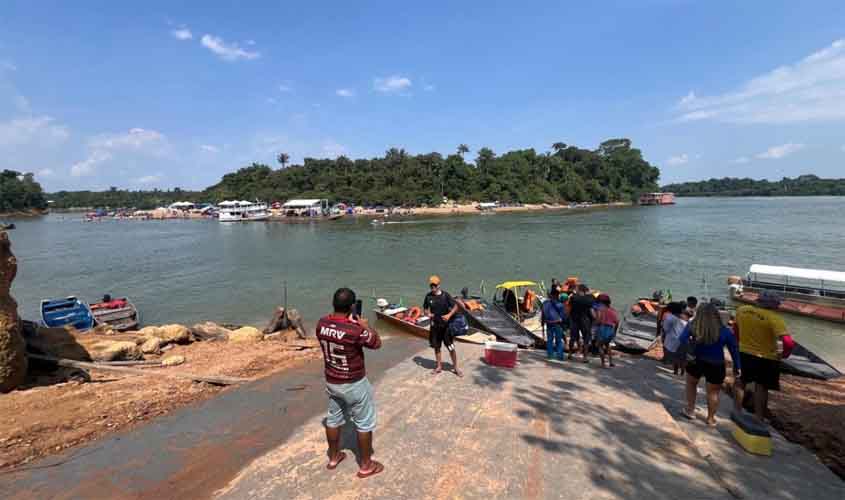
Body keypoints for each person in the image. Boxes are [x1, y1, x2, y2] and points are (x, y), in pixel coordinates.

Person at [316, 287, 384, 478]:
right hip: (354, 382)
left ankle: (334, 456)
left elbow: (335, 329)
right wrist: (364, 325)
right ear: (353, 306)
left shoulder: (321, 324)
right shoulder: (355, 329)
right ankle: (365, 465)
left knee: (333, 419)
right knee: (364, 424)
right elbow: (376, 343)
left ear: (333, 303)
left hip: (332, 380)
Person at [733, 291, 792, 421]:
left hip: (744, 352)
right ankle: (759, 417)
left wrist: (739, 342)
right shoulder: (774, 318)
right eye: (778, 302)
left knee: (740, 381)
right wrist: (784, 355)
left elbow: (735, 328)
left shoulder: (742, 310)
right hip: (767, 357)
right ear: (772, 304)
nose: (779, 305)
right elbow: (788, 342)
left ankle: (736, 411)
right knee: (761, 387)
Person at [679, 303, 740, 426]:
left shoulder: (693, 326)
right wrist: (737, 366)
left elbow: (681, 339)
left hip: (696, 360)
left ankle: (690, 411)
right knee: (713, 392)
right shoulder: (725, 331)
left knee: (691, 384)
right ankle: (711, 418)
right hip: (716, 364)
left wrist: (690, 345)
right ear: (716, 315)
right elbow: (734, 349)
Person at [423, 275, 462, 376]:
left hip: (446, 328)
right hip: (435, 327)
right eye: (431, 285)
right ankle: (439, 366)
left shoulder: (446, 296)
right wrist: (428, 314)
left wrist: (449, 315)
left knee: (451, 347)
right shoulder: (428, 297)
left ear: (439, 285)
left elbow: (456, 306)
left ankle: (456, 367)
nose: (433, 287)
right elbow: (425, 310)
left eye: (434, 285)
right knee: (437, 347)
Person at [568, 284, 595, 362]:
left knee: (572, 338)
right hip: (585, 320)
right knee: (586, 339)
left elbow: (569, 308)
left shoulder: (573, 298)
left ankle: (570, 354)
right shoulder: (590, 298)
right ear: (585, 290)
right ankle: (585, 357)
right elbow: (592, 307)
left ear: (579, 290)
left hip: (574, 320)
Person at [662, 302, 689, 376]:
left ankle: (676, 372)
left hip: (674, 341)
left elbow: (666, 329)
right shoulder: (684, 318)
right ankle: (682, 372)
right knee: (682, 357)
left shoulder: (669, 317)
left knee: (676, 358)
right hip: (684, 340)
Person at [594, 294, 619, 368]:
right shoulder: (613, 310)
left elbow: (598, 320)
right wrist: (614, 331)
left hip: (602, 329)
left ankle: (603, 363)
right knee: (608, 345)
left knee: (600, 346)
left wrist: (594, 324)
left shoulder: (600, 309)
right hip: (610, 329)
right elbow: (617, 321)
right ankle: (611, 362)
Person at [541, 288, 566, 360]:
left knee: (549, 340)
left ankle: (550, 355)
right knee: (559, 340)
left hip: (548, 323)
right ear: (556, 295)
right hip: (557, 324)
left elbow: (543, 314)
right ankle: (560, 356)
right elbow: (562, 318)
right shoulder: (560, 304)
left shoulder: (544, 303)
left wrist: (543, 323)